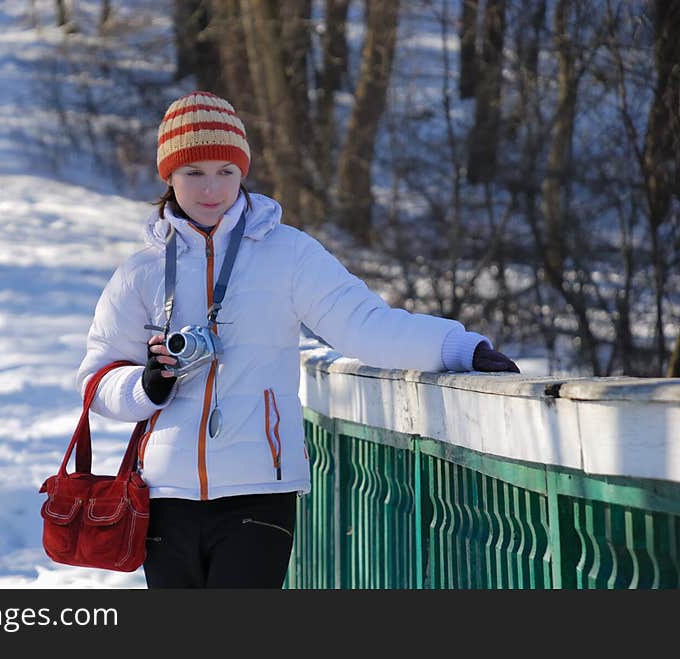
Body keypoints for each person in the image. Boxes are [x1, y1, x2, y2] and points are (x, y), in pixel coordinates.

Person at [76, 90, 520, 589]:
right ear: (169, 176)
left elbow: (365, 325)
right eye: (194, 172)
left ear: (243, 171)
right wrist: (146, 386)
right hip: (163, 495)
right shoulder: (141, 273)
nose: (211, 189)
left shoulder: (287, 255)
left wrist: (458, 348)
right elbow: (96, 381)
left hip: (260, 490)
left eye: (226, 170)